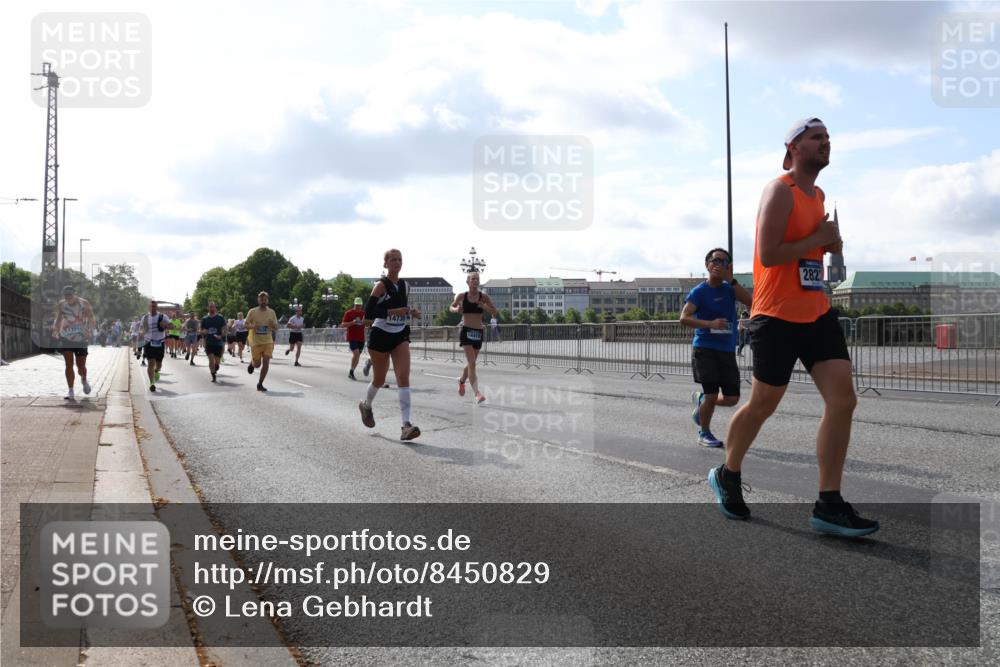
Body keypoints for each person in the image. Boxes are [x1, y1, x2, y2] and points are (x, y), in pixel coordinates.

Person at [708, 117, 878, 537]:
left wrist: (828, 244)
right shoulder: (778, 190)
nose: (825, 143)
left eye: (827, 138)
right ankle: (728, 473)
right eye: (816, 138)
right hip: (777, 315)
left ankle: (829, 503)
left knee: (844, 400)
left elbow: (809, 252)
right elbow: (769, 252)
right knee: (763, 404)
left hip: (817, 312)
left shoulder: (818, 195)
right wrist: (818, 238)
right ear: (793, 148)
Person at [679, 248, 752, 447]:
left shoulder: (730, 288)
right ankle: (704, 432)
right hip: (705, 348)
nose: (719, 264)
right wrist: (710, 324)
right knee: (712, 395)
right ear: (707, 265)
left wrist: (732, 280)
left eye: (724, 261)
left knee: (732, 398)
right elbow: (684, 318)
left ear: (729, 267)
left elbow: (751, 302)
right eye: (715, 260)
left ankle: (701, 400)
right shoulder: (699, 291)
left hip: (726, 348)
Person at [358, 249, 422, 440]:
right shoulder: (380, 286)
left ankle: (406, 425)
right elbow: (368, 314)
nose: (397, 262)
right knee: (379, 379)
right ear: (385, 263)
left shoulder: (405, 286)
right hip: (380, 335)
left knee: (403, 377)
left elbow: (401, 307)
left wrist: (410, 312)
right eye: (393, 259)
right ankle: (366, 405)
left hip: (399, 334)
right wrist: (394, 311)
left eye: (400, 259)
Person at [449, 271, 498, 404]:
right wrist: (456, 310)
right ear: (468, 281)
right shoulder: (462, 296)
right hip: (465, 331)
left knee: (471, 363)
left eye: (477, 279)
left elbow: (495, 312)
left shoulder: (484, 297)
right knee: (472, 363)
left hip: (478, 332)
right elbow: (451, 306)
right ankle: (477, 393)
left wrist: (484, 306)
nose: (475, 281)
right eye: (473, 279)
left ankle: (461, 381)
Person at [51, 285, 95, 400]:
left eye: (70, 294)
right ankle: (71, 391)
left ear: (75, 294)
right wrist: (56, 330)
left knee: (81, 367)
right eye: (66, 295)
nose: (68, 297)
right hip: (66, 337)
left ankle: (84, 379)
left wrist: (90, 330)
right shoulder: (61, 304)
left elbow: (91, 318)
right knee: (68, 364)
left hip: (81, 338)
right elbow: (59, 318)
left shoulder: (84, 303)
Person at [245, 292, 278, 391]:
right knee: (257, 365)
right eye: (261, 300)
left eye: (265, 300)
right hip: (256, 342)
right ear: (258, 300)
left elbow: (276, 327)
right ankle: (252, 363)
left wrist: (272, 324)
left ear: (267, 300)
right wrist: (253, 326)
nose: (263, 301)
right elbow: (245, 325)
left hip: (268, 341)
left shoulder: (271, 312)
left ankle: (260, 383)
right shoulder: (252, 311)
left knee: (266, 362)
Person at [141, 300, 169, 392]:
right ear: (148, 307)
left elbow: (171, 326)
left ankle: (157, 371)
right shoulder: (145, 318)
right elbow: (141, 330)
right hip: (149, 342)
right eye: (151, 306)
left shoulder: (162, 316)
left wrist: (165, 325)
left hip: (160, 342)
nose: (153, 308)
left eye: (154, 306)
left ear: (157, 307)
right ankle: (152, 383)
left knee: (159, 364)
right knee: (150, 363)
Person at [200, 301, 227, 383]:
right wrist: (204, 332)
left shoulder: (220, 318)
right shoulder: (204, 319)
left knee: (217, 362)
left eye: (213, 307)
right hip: (209, 342)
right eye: (210, 307)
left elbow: (225, 329)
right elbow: (201, 331)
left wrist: (221, 336)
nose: (212, 308)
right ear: (208, 308)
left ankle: (216, 366)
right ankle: (213, 375)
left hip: (218, 342)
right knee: (211, 360)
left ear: (215, 308)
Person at [342, 297, 367, 380]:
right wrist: (352, 322)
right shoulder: (348, 313)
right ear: (354, 304)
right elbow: (343, 324)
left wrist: (366, 323)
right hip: (352, 337)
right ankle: (351, 372)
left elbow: (367, 323)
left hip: (361, 338)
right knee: (356, 354)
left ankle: (352, 371)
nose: (358, 307)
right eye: (357, 305)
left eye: (359, 306)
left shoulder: (364, 313)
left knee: (358, 356)